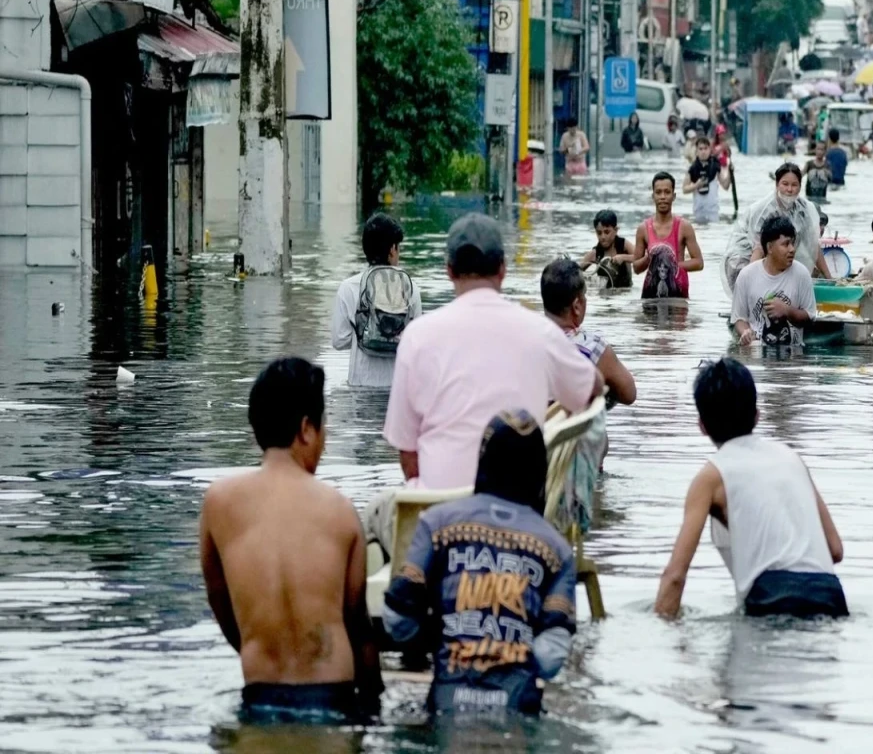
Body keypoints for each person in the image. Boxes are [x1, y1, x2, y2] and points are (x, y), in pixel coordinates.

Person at [372, 214, 603, 552]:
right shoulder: (540, 332)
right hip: (522, 518)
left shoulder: (417, 337)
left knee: (373, 514)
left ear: (449, 270)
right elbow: (592, 388)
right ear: (503, 270)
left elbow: (408, 455)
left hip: (439, 522)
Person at [200, 357, 384, 723]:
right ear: (306, 429)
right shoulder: (340, 511)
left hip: (260, 695)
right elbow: (357, 625)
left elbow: (221, 603)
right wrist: (374, 704)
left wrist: (260, 648)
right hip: (332, 698)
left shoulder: (218, 504)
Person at [382, 410, 578, 715]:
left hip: (447, 702)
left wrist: (442, 637)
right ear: (540, 470)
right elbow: (550, 658)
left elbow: (397, 620)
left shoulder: (436, 525)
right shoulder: (559, 551)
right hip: (517, 708)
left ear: (483, 460)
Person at [654, 358, 846, 619]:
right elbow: (834, 549)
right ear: (757, 414)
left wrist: (660, 629)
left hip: (771, 598)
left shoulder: (711, 477)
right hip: (831, 595)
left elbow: (675, 576)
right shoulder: (791, 459)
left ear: (702, 426)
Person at [541, 259, 637, 526]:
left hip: (531, 454)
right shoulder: (593, 347)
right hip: (578, 466)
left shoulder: (525, 341)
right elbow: (629, 393)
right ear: (577, 305)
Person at [331, 213, 422, 388]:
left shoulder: (348, 288)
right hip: (395, 388)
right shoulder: (411, 288)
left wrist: (367, 334)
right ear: (392, 249)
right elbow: (415, 342)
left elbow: (339, 341)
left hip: (361, 385)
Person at [722, 162, 831, 294]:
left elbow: (813, 246)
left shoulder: (803, 209)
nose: (789, 189)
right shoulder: (765, 211)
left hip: (771, 259)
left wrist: (829, 279)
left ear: (800, 187)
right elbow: (758, 250)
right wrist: (752, 286)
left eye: (794, 185)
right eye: (785, 184)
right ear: (777, 185)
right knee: (758, 294)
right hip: (743, 261)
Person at [731, 215, 817, 347]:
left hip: (793, 353)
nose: (792, 249)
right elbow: (739, 319)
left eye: (792, 243)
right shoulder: (746, 275)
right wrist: (745, 332)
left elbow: (810, 318)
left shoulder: (802, 274)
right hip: (758, 351)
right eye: (785, 244)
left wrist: (787, 311)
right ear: (770, 248)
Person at [634, 172, 704, 299]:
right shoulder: (643, 229)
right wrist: (650, 258)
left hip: (678, 295)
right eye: (658, 192)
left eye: (667, 192)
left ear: (674, 196)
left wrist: (672, 265)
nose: (663, 197)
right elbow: (636, 268)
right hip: (651, 296)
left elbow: (699, 263)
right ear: (653, 196)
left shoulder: (684, 227)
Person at [579, 209, 635, 288]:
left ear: (616, 230)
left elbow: (643, 257)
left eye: (607, 232)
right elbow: (575, 272)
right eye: (599, 233)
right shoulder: (595, 253)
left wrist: (624, 257)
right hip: (604, 294)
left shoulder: (623, 245)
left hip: (625, 292)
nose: (603, 237)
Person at [683, 136, 731, 224]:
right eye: (700, 149)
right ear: (696, 151)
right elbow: (684, 189)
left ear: (710, 150)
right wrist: (696, 185)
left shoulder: (715, 166)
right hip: (698, 212)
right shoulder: (692, 169)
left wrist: (730, 173)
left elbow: (725, 186)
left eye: (705, 148)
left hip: (713, 212)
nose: (703, 151)